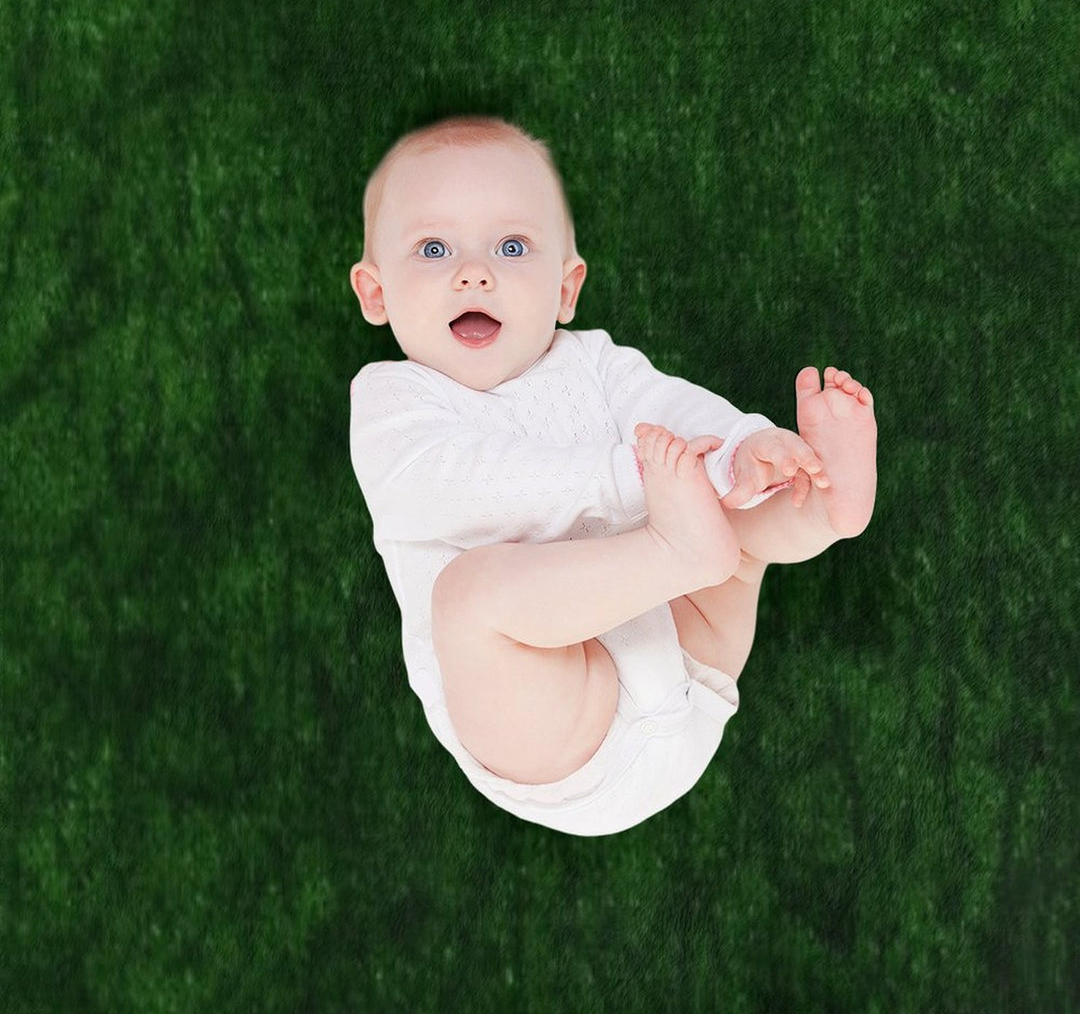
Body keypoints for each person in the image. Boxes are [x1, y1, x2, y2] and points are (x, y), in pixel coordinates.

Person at [348, 115, 877, 836]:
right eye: (433, 248)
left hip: (690, 658)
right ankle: (684, 549)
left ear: (566, 290)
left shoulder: (594, 362)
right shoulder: (394, 401)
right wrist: (632, 479)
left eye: (512, 246)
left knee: (735, 519)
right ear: (376, 294)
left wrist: (741, 448)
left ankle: (817, 506)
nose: (475, 272)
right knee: (468, 597)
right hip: (561, 730)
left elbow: (670, 408)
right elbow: (453, 487)